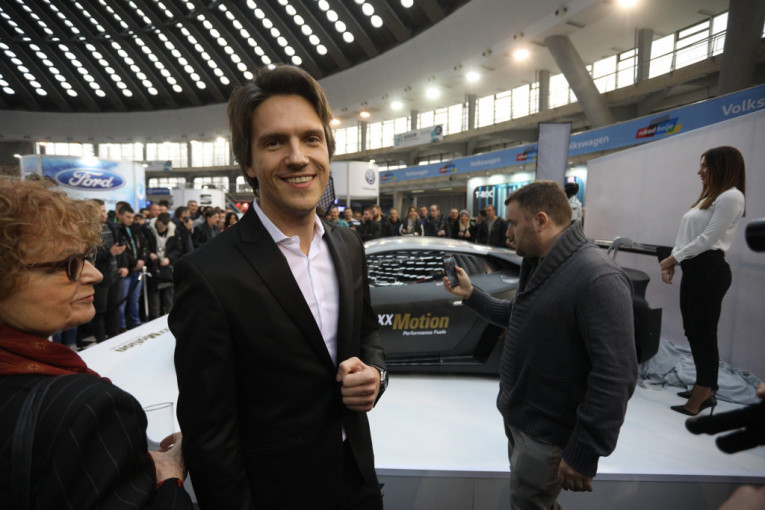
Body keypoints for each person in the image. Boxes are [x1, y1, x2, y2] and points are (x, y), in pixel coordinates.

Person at [169, 64, 387, 510]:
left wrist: (375, 376)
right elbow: (210, 434)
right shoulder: (208, 274)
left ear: (327, 150)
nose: (297, 157)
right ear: (248, 162)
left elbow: (368, 336)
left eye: (311, 139)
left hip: (358, 483)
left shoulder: (348, 246)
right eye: (274, 142)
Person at [0, 180, 192, 509]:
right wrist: (170, 474)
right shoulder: (87, 408)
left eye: (86, 258)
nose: (94, 275)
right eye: (69, 264)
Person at [444, 181, 637, 509]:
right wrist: (472, 295)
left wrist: (585, 450)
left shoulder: (597, 277)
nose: (508, 232)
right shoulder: (541, 263)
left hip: (547, 434)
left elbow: (616, 375)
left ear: (541, 221)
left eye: (513, 223)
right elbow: (520, 315)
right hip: (524, 420)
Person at [660, 146, 746, 416]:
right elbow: (686, 234)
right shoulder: (710, 196)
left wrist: (673, 259)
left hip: (709, 269)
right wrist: (675, 261)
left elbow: (707, 239)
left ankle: (704, 390)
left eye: (705, 166)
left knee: (703, 333)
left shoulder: (732, 196)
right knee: (693, 331)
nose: (700, 171)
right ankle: (704, 385)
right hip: (694, 268)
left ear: (722, 167)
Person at [91, 199, 127, 343]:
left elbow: (120, 248)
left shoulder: (112, 227)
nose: (103, 214)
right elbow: (91, 257)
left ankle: (113, 338)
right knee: (100, 310)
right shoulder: (89, 231)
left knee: (114, 308)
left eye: (104, 211)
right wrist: (109, 253)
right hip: (100, 276)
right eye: (99, 212)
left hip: (115, 274)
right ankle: (100, 340)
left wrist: (123, 265)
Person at [116, 204, 148, 332]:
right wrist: (135, 262)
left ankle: (135, 323)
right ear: (120, 216)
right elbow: (122, 251)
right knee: (122, 300)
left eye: (132, 217)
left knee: (135, 299)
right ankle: (122, 326)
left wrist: (142, 259)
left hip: (137, 269)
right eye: (128, 217)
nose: (131, 220)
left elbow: (145, 245)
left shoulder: (136, 229)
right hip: (126, 270)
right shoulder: (117, 230)